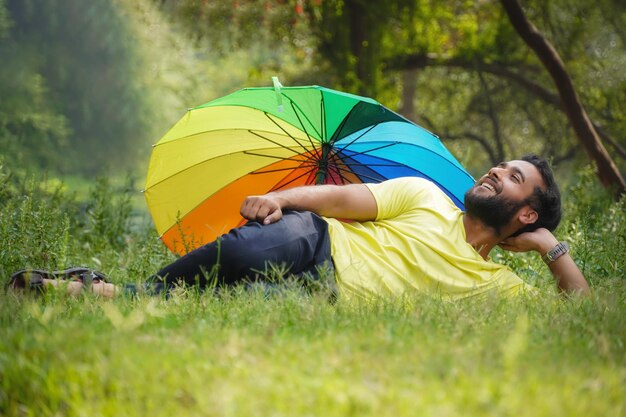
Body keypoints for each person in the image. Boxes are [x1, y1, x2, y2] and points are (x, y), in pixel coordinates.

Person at [141, 154, 590, 300]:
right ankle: (128, 294)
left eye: (513, 178)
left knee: (239, 300)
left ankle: (108, 292)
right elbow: (338, 199)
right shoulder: (425, 194)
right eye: (499, 166)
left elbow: (580, 309)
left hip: (328, 294)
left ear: (527, 215)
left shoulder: (499, 286)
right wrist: (278, 198)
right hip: (315, 242)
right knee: (244, 254)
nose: (495, 172)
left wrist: (551, 247)